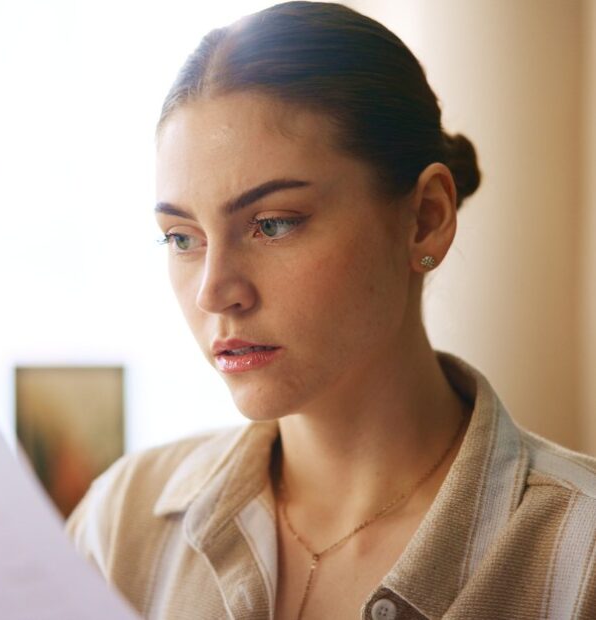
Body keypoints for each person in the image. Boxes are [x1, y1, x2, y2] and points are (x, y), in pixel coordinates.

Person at [65, 2, 596, 619]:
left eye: (273, 224)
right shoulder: (120, 527)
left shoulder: (579, 557)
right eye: (182, 237)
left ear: (425, 219)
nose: (214, 292)